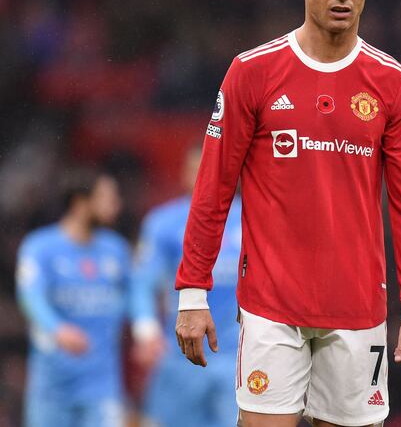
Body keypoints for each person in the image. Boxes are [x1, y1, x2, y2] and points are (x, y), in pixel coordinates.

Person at [173, 0, 401, 427]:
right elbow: (213, 189)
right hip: (272, 305)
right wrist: (192, 292)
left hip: (358, 309)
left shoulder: (392, 82)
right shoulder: (253, 72)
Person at [131, 146, 242, 427]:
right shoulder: (163, 223)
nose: (206, 178)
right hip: (180, 355)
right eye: (198, 170)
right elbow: (143, 281)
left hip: (238, 356)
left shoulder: (252, 218)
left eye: (214, 170)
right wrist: (145, 330)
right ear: (185, 174)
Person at [15, 169, 130, 427]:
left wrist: (147, 329)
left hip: (101, 384)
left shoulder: (116, 249)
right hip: (52, 384)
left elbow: (133, 296)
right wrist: (57, 329)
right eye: (107, 198)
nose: (116, 205)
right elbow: (29, 295)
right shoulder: (40, 247)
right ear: (80, 203)